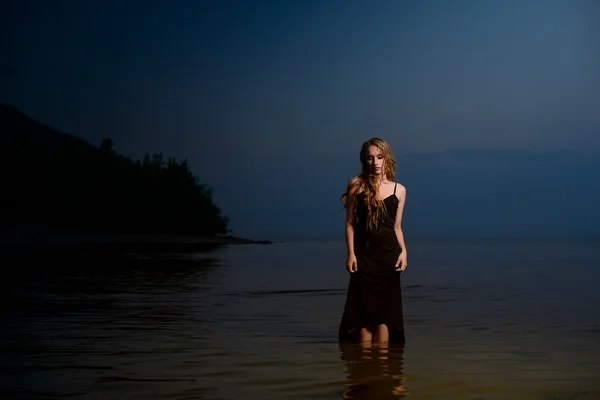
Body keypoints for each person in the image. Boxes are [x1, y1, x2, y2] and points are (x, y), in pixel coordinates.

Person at [338, 137, 408, 345]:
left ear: (387, 159)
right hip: (364, 257)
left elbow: (396, 227)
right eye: (370, 158)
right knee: (363, 317)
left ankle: (383, 371)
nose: (375, 162)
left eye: (379, 157)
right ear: (364, 161)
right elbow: (350, 223)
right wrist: (350, 254)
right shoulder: (357, 185)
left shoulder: (399, 190)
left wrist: (403, 251)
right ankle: (363, 369)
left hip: (389, 258)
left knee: (385, 318)